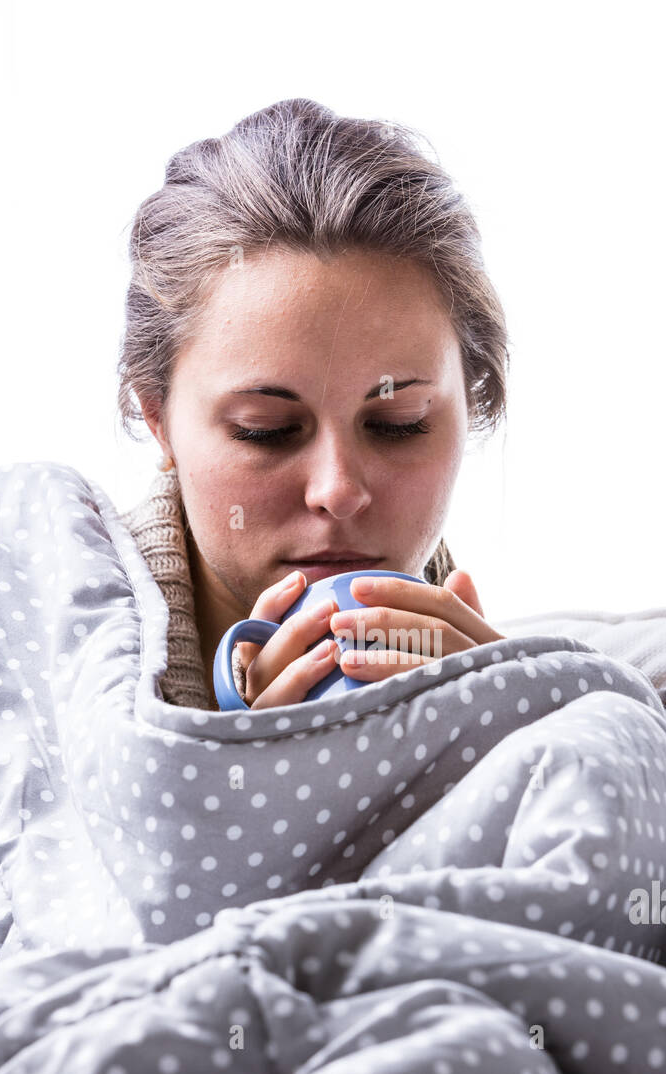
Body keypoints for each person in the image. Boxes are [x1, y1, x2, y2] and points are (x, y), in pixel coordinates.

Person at [117, 98, 509, 712]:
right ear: (157, 419)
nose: (338, 490)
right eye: (265, 431)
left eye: (397, 425)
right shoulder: (14, 648)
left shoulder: (529, 710)